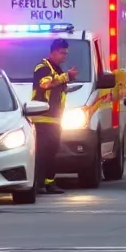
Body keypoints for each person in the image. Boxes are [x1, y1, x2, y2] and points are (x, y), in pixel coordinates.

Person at [31, 38, 78, 195]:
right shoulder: (42, 67)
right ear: (53, 52)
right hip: (42, 119)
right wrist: (66, 77)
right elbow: (45, 84)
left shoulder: (57, 70)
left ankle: (50, 183)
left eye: (66, 53)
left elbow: (56, 90)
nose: (65, 56)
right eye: (62, 53)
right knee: (42, 153)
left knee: (52, 152)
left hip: (56, 120)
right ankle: (38, 184)